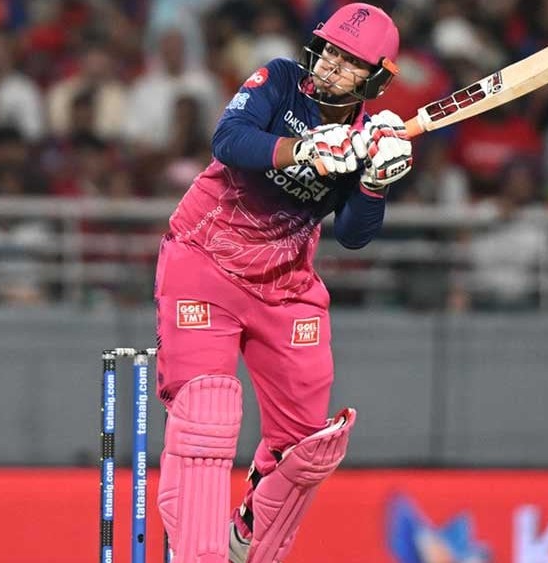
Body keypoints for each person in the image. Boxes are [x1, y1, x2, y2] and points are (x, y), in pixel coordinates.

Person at [152, 4, 412, 562]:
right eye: (332, 52)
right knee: (206, 415)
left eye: (351, 63)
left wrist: (374, 182)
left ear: (377, 79)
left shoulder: (368, 137)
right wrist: (305, 148)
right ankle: (196, 555)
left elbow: (355, 237)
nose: (333, 68)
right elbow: (229, 139)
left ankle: (247, 533)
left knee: (310, 448)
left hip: (285, 285)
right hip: (205, 262)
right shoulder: (280, 80)